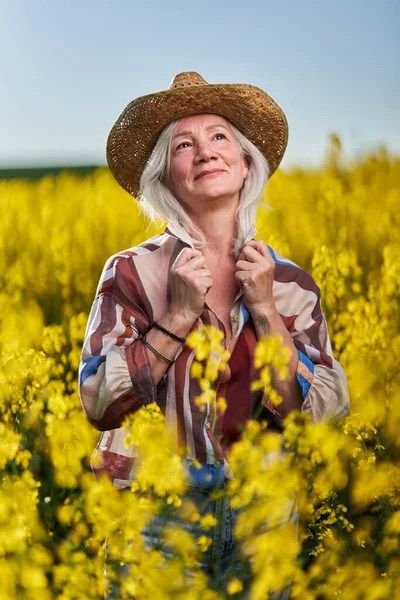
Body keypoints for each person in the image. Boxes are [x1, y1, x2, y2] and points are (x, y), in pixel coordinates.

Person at [79, 71, 350, 595]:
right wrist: (178, 317)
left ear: (247, 164)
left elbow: (320, 414)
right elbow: (96, 401)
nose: (205, 152)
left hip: (262, 515)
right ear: (165, 177)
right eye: (185, 144)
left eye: (220, 137)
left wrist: (267, 310)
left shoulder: (290, 282)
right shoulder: (130, 272)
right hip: (156, 511)